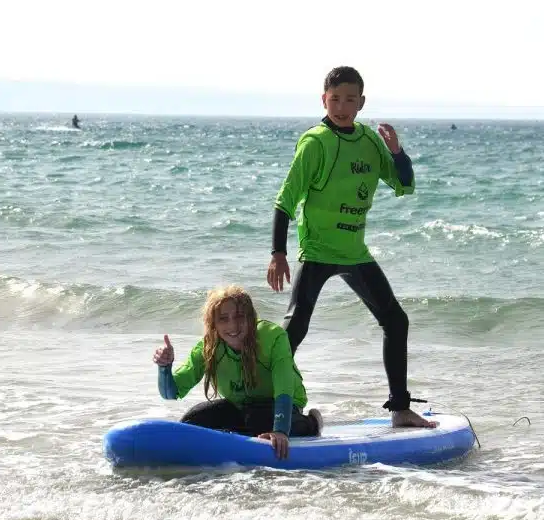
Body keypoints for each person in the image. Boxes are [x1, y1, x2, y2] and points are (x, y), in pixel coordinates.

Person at [266, 66, 436, 429]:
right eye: (335, 99)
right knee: (295, 326)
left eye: (350, 99)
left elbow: (404, 186)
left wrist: (398, 152)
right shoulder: (315, 143)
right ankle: (267, 400)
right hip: (317, 250)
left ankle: (401, 409)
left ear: (362, 102)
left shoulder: (369, 142)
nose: (342, 107)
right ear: (323, 99)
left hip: (354, 252)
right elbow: (285, 200)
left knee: (396, 321)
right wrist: (277, 253)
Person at [153, 285, 322, 459]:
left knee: (257, 419)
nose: (233, 325)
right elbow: (171, 393)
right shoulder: (209, 347)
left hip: (283, 405)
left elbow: (284, 388)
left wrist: (280, 431)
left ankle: (311, 424)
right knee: (191, 421)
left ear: (251, 318)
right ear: (214, 324)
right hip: (242, 407)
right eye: (223, 319)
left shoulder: (273, 337)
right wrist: (164, 367)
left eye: (240, 316)